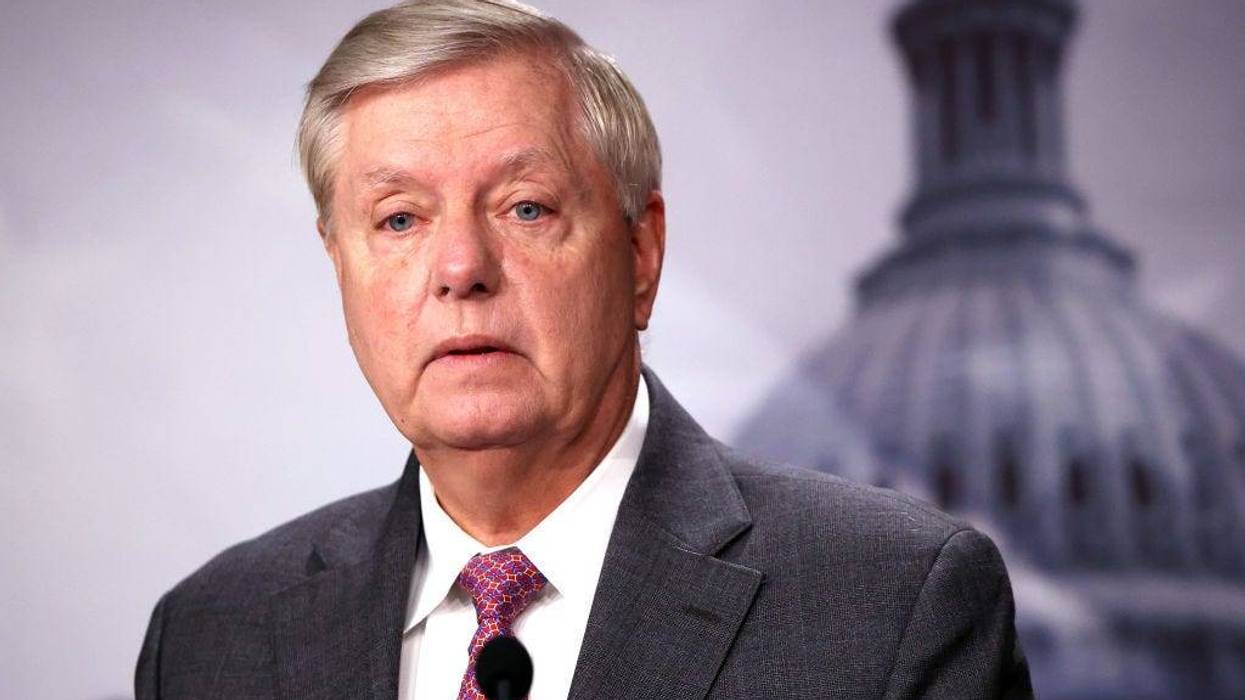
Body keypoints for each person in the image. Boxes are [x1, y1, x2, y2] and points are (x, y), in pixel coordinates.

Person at [135, 1, 1032, 698]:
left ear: (640, 254)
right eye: (399, 219)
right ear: (339, 265)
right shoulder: (212, 639)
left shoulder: (890, 605)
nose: (460, 269)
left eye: (525, 208)